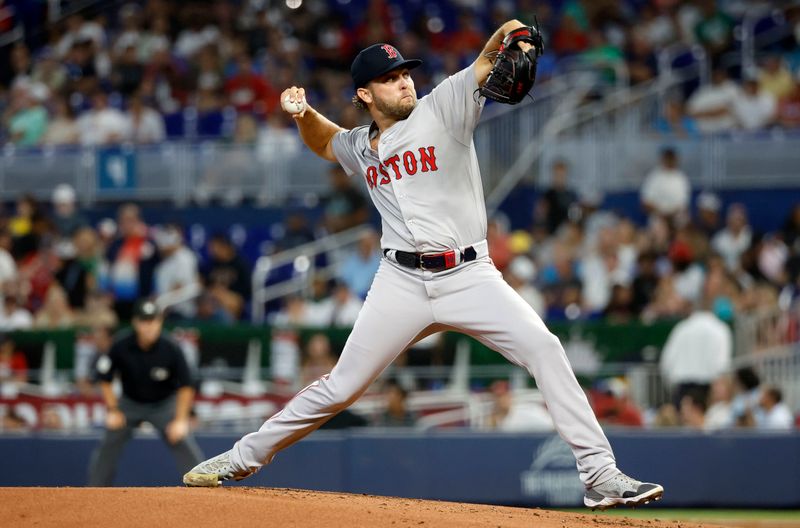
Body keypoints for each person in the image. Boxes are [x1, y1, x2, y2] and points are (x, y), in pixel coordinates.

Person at [184, 23, 663, 510]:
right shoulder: (360, 143)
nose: (405, 82)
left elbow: (486, 56)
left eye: (405, 73)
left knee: (544, 347)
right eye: (391, 78)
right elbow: (326, 143)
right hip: (401, 282)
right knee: (341, 387)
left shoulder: (444, 107)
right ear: (364, 94)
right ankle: (240, 458)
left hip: (468, 274)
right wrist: (304, 112)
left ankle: (599, 473)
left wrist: (515, 34)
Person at [88, 299, 203, 485]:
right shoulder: (121, 344)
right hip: (130, 403)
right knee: (109, 443)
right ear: (135, 323)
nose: (149, 326)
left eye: (153, 321)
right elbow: (104, 378)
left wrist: (181, 419)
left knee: (183, 441)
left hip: (163, 404)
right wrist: (113, 410)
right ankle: (95, 490)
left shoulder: (171, 347)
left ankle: (201, 486)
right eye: (144, 321)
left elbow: (186, 385)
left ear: (160, 322)